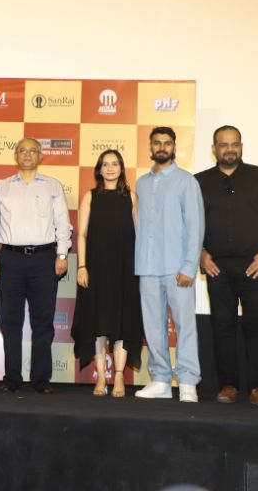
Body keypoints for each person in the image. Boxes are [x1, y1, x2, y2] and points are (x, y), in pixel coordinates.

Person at [195, 125, 258, 407]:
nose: (229, 149)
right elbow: (188, 222)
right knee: (222, 327)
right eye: (223, 144)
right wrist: (201, 253)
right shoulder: (199, 181)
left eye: (234, 144)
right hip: (217, 267)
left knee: (257, 326)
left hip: (255, 266)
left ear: (241, 146)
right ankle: (228, 386)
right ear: (214, 149)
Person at [0, 138, 71, 393]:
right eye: (22, 150)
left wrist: (62, 255)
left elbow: (62, 223)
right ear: (16, 155)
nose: (27, 154)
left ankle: (41, 378)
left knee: (43, 321)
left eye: (33, 151)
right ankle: (12, 377)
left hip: (44, 259)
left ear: (40, 156)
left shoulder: (52, 186)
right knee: (9, 321)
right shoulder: (2, 187)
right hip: (10, 259)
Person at [134, 127, 204, 402]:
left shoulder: (186, 181)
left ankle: (187, 381)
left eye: (167, 143)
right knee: (153, 327)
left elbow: (195, 226)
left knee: (185, 326)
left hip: (178, 268)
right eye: (157, 143)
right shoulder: (141, 183)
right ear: (150, 147)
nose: (162, 147)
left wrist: (189, 266)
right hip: (147, 266)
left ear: (174, 147)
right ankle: (161, 380)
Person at [72, 149, 142, 398]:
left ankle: (119, 376)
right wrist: (82, 266)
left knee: (122, 323)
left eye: (115, 164)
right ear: (99, 170)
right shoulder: (90, 197)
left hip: (125, 268)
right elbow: (81, 234)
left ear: (121, 168)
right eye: (105, 164)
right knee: (98, 324)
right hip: (96, 268)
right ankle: (101, 376)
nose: (110, 168)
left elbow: (139, 235)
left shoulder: (131, 197)